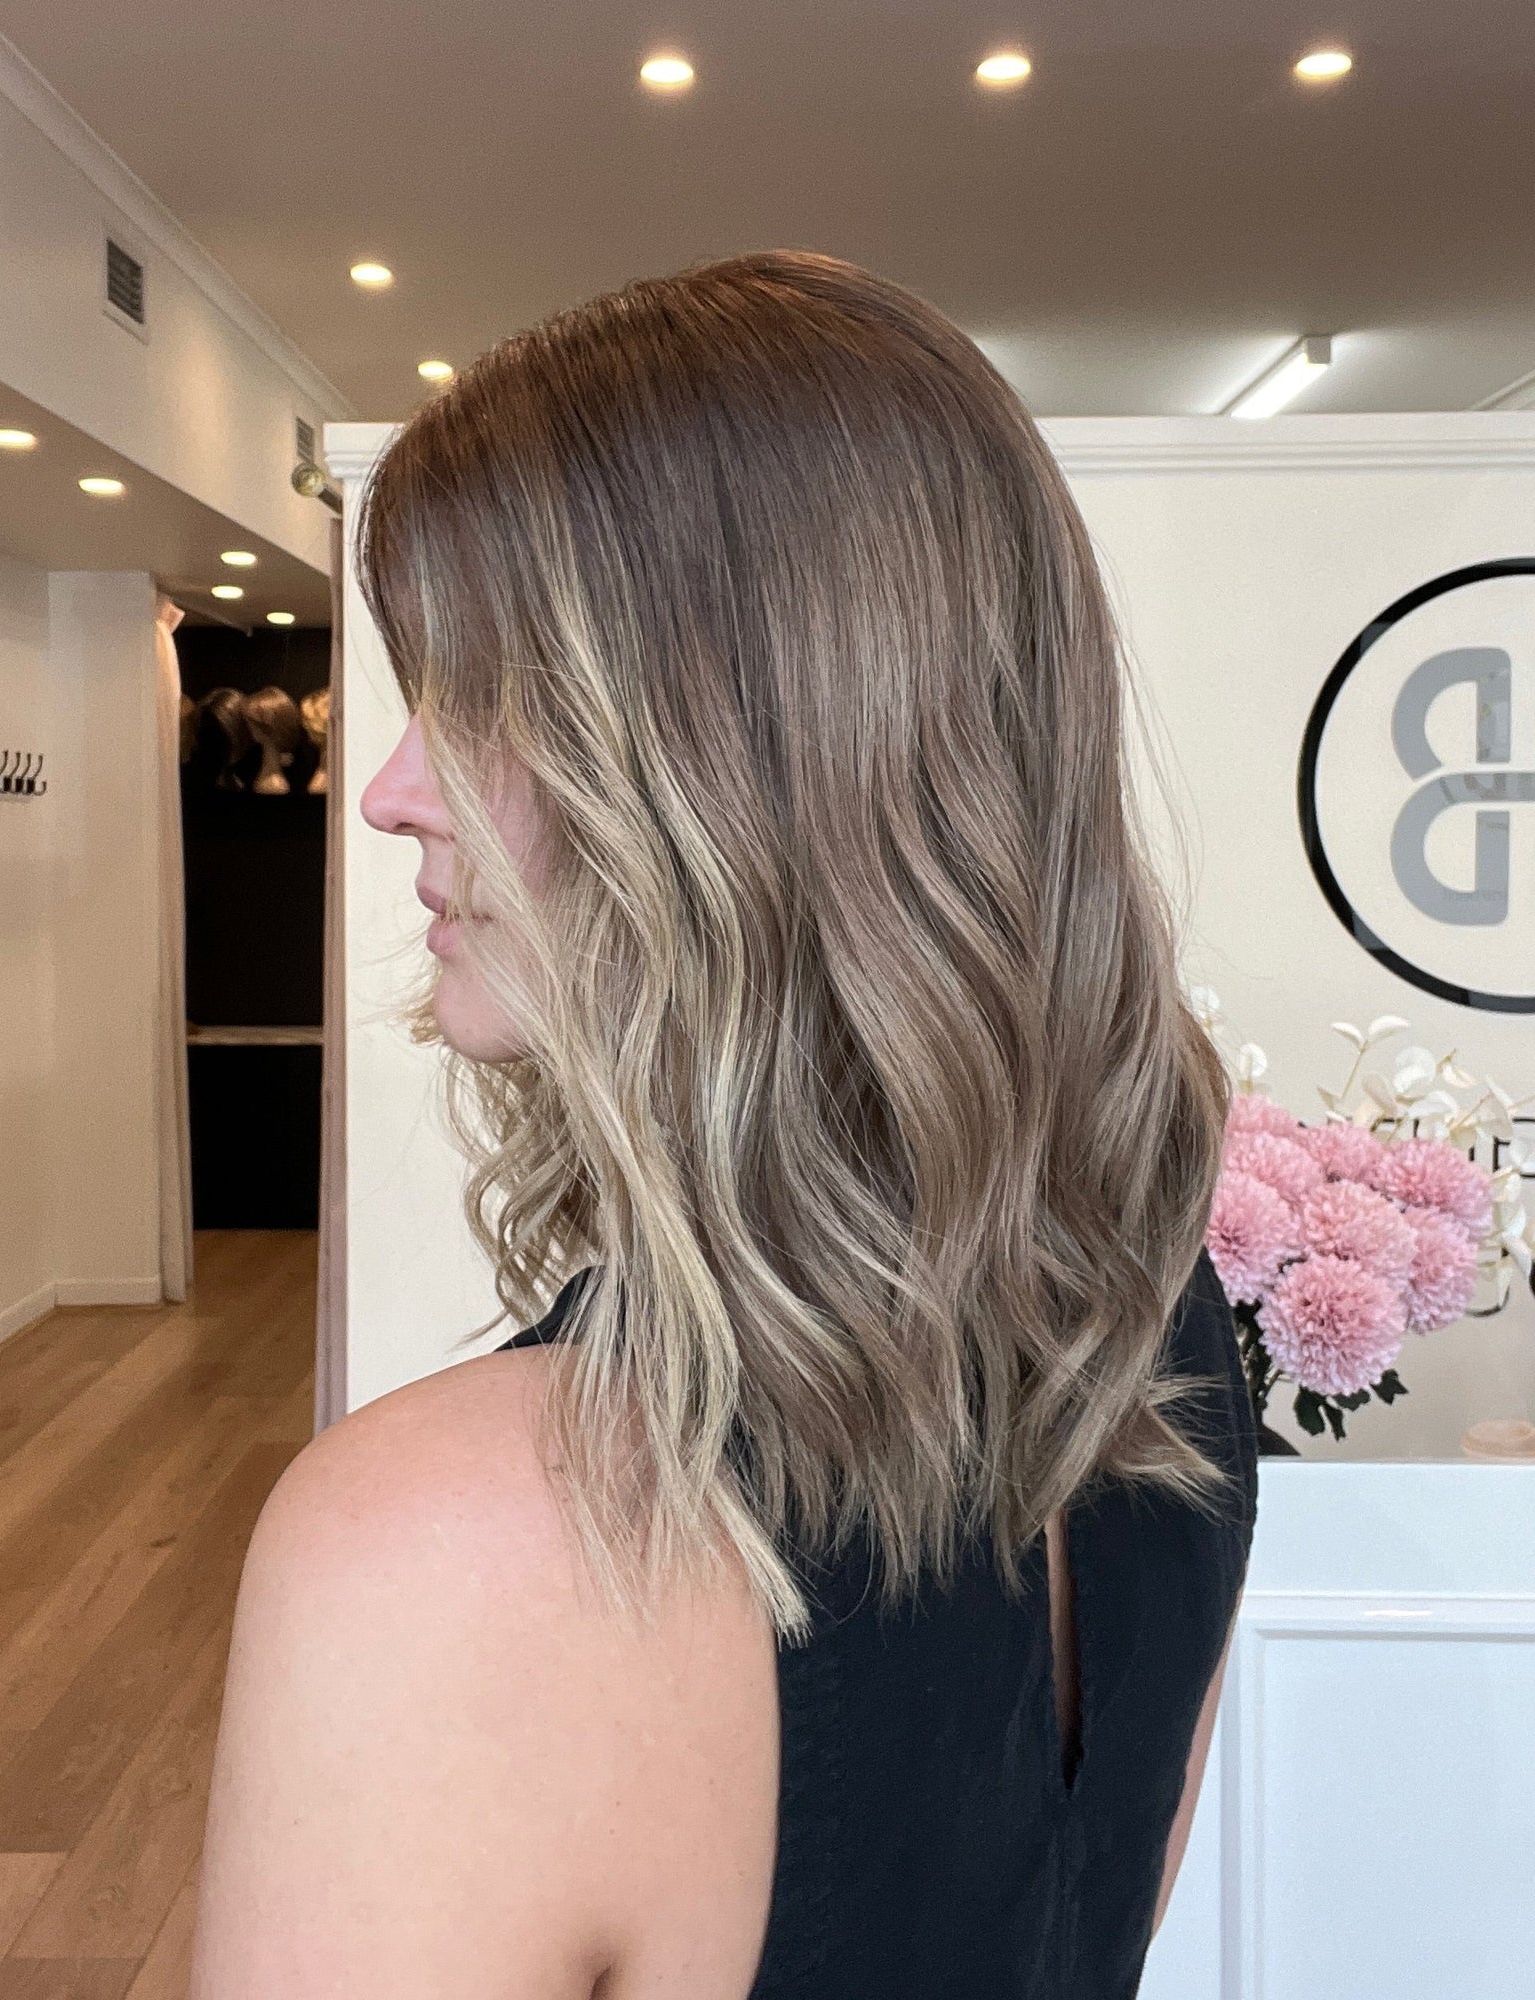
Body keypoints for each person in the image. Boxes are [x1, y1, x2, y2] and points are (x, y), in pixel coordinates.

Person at [190, 249, 1256, 1999]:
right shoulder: (1156, 1334)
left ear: (744, 763)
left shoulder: (459, 1552)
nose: (389, 793)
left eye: (494, 699)